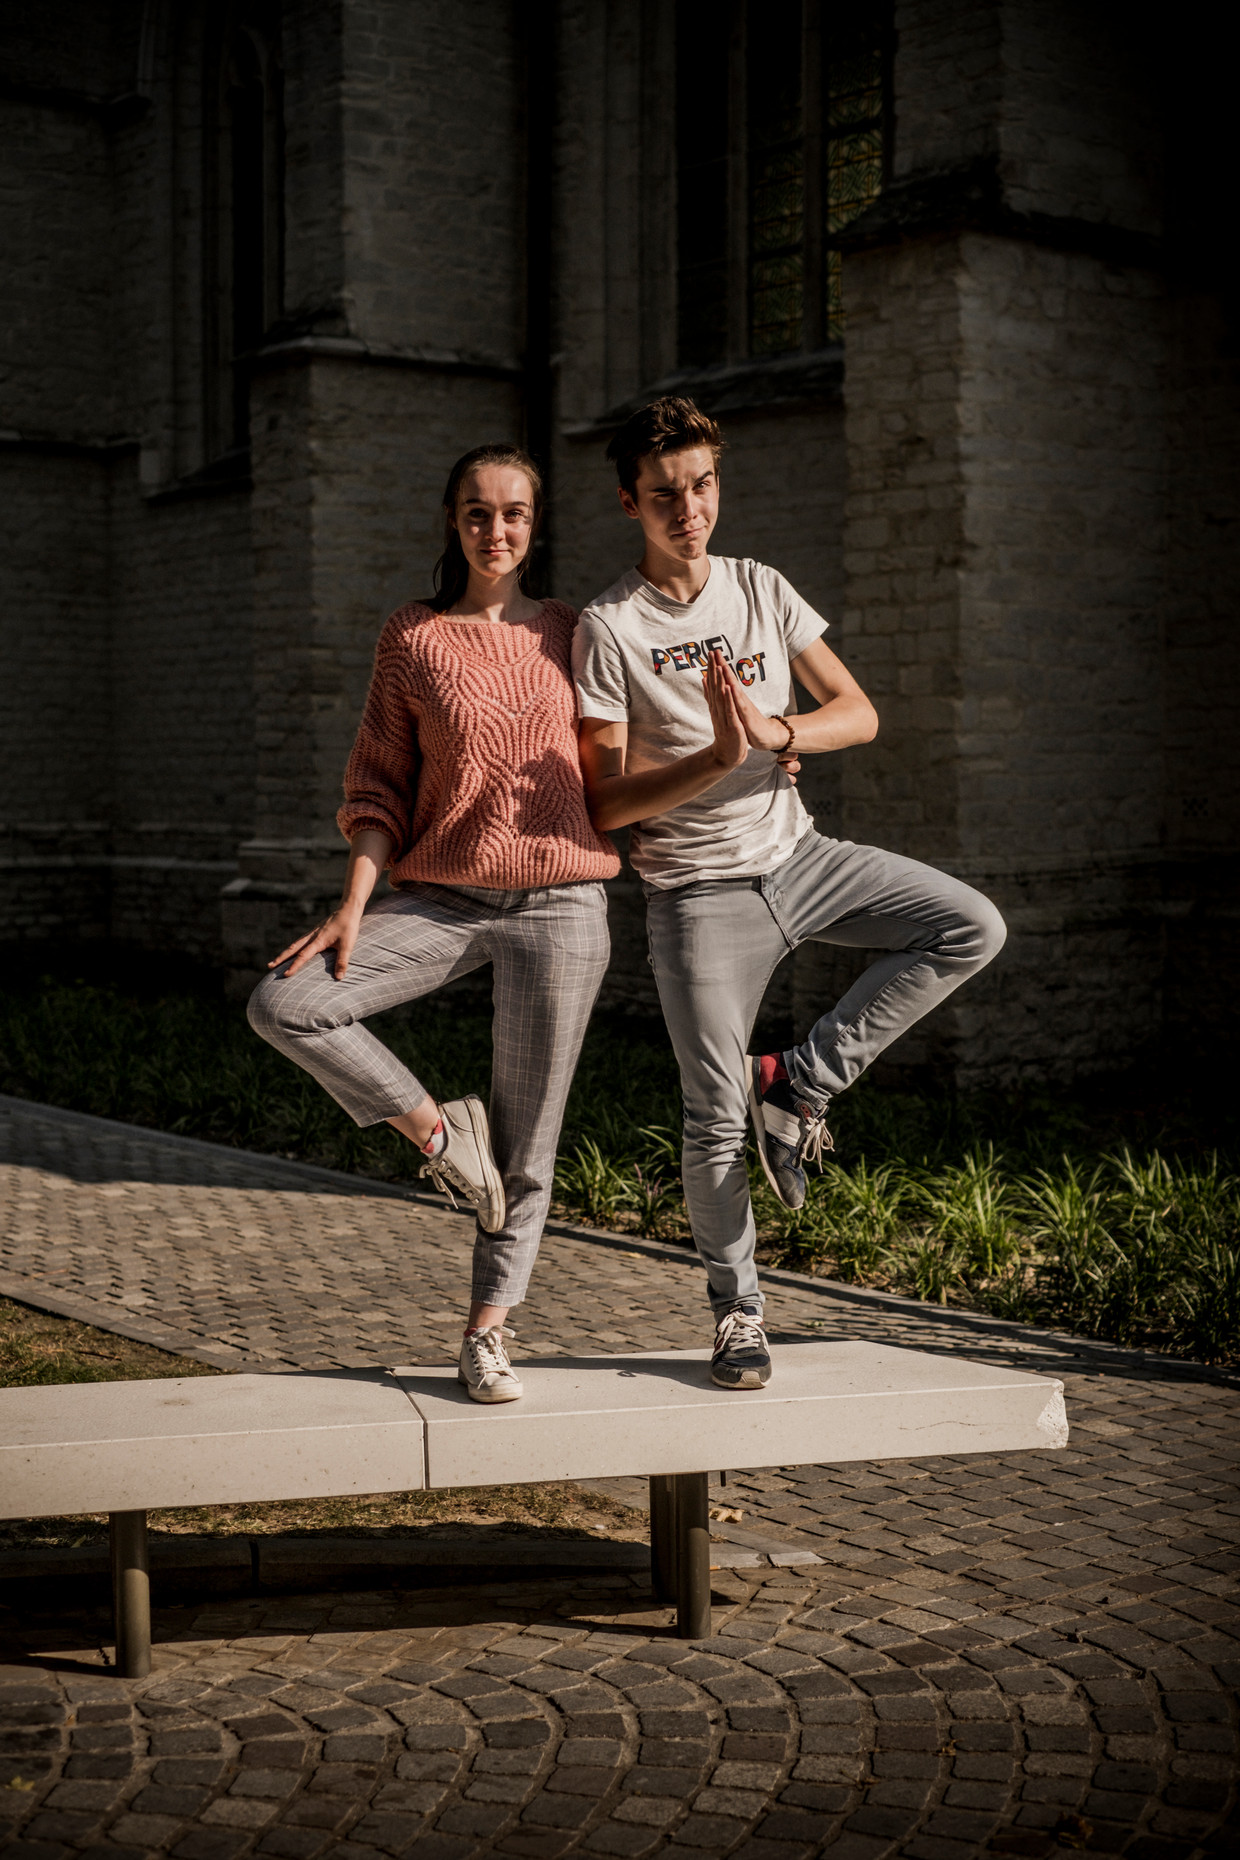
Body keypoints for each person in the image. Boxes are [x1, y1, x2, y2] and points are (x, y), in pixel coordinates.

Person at [574, 396, 1006, 1392]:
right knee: (711, 1118)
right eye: (665, 495)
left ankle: (802, 1082)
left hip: (800, 860)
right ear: (630, 503)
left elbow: (856, 712)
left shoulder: (761, 587)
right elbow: (606, 800)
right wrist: (712, 758)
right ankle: (738, 1314)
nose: (689, 510)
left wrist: (777, 734)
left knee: (968, 925)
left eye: (702, 486)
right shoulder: (609, 626)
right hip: (696, 895)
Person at [249, 444, 618, 1403]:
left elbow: (637, 746)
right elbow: (379, 787)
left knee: (529, 1147)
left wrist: (761, 752)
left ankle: (487, 1335)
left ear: (536, 525)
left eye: (514, 513)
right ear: (452, 520)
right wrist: (351, 907)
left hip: (562, 904)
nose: (496, 530)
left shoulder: (574, 631)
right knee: (285, 1003)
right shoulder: (412, 636)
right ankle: (442, 1137)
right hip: (443, 898)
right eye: (477, 511)